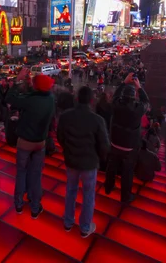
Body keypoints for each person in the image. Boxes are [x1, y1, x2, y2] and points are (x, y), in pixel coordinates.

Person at [58, 86, 109, 238]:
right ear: (91, 101)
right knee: (88, 196)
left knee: (71, 191)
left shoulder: (66, 116)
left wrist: (68, 150)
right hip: (89, 164)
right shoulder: (97, 120)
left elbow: (60, 137)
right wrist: (99, 158)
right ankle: (85, 227)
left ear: (77, 99)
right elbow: (104, 146)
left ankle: (68, 222)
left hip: (71, 161)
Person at [6, 70, 56, 218]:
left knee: (21, 173)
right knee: (36, 175)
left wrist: (17, 81)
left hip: (25, 142)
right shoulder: (51, 99)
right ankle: (35, 208)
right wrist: (31, 85)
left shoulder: (29, 100)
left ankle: (19, 205)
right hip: (40, 142)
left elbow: (10, 98)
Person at [105, 73, 150, 204]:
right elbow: (146, 101)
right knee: (127, 172)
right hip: (129, 146)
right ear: (134, 96)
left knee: (111, 166)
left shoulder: (116, 104)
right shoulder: (138, 109)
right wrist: (139, 88)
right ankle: (125, 197)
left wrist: (124, 83)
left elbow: (114, 97)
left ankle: (108, 187)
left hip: (115, 142)